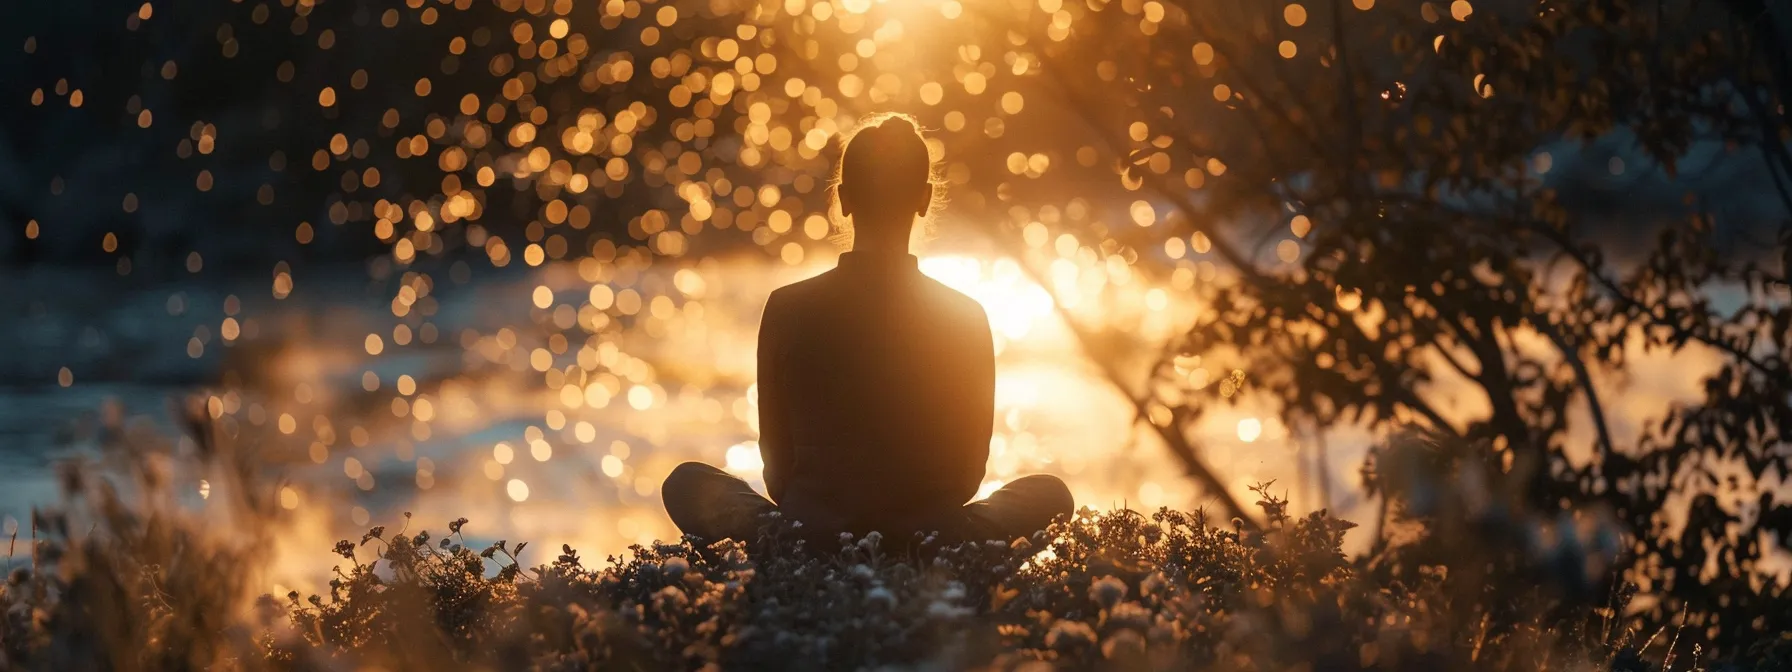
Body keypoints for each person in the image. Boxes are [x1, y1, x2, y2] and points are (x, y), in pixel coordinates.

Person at [660, 113, 1073, 549]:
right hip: (930, 538)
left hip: (814, 536)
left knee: (686, 482)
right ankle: (937, 558)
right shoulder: (965, 315)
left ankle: (791, 550)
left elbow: (777, 471)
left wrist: (821, 512)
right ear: (925, 199)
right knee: (1050, 494)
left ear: (843, 199)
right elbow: (967, 475)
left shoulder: (787, 307)